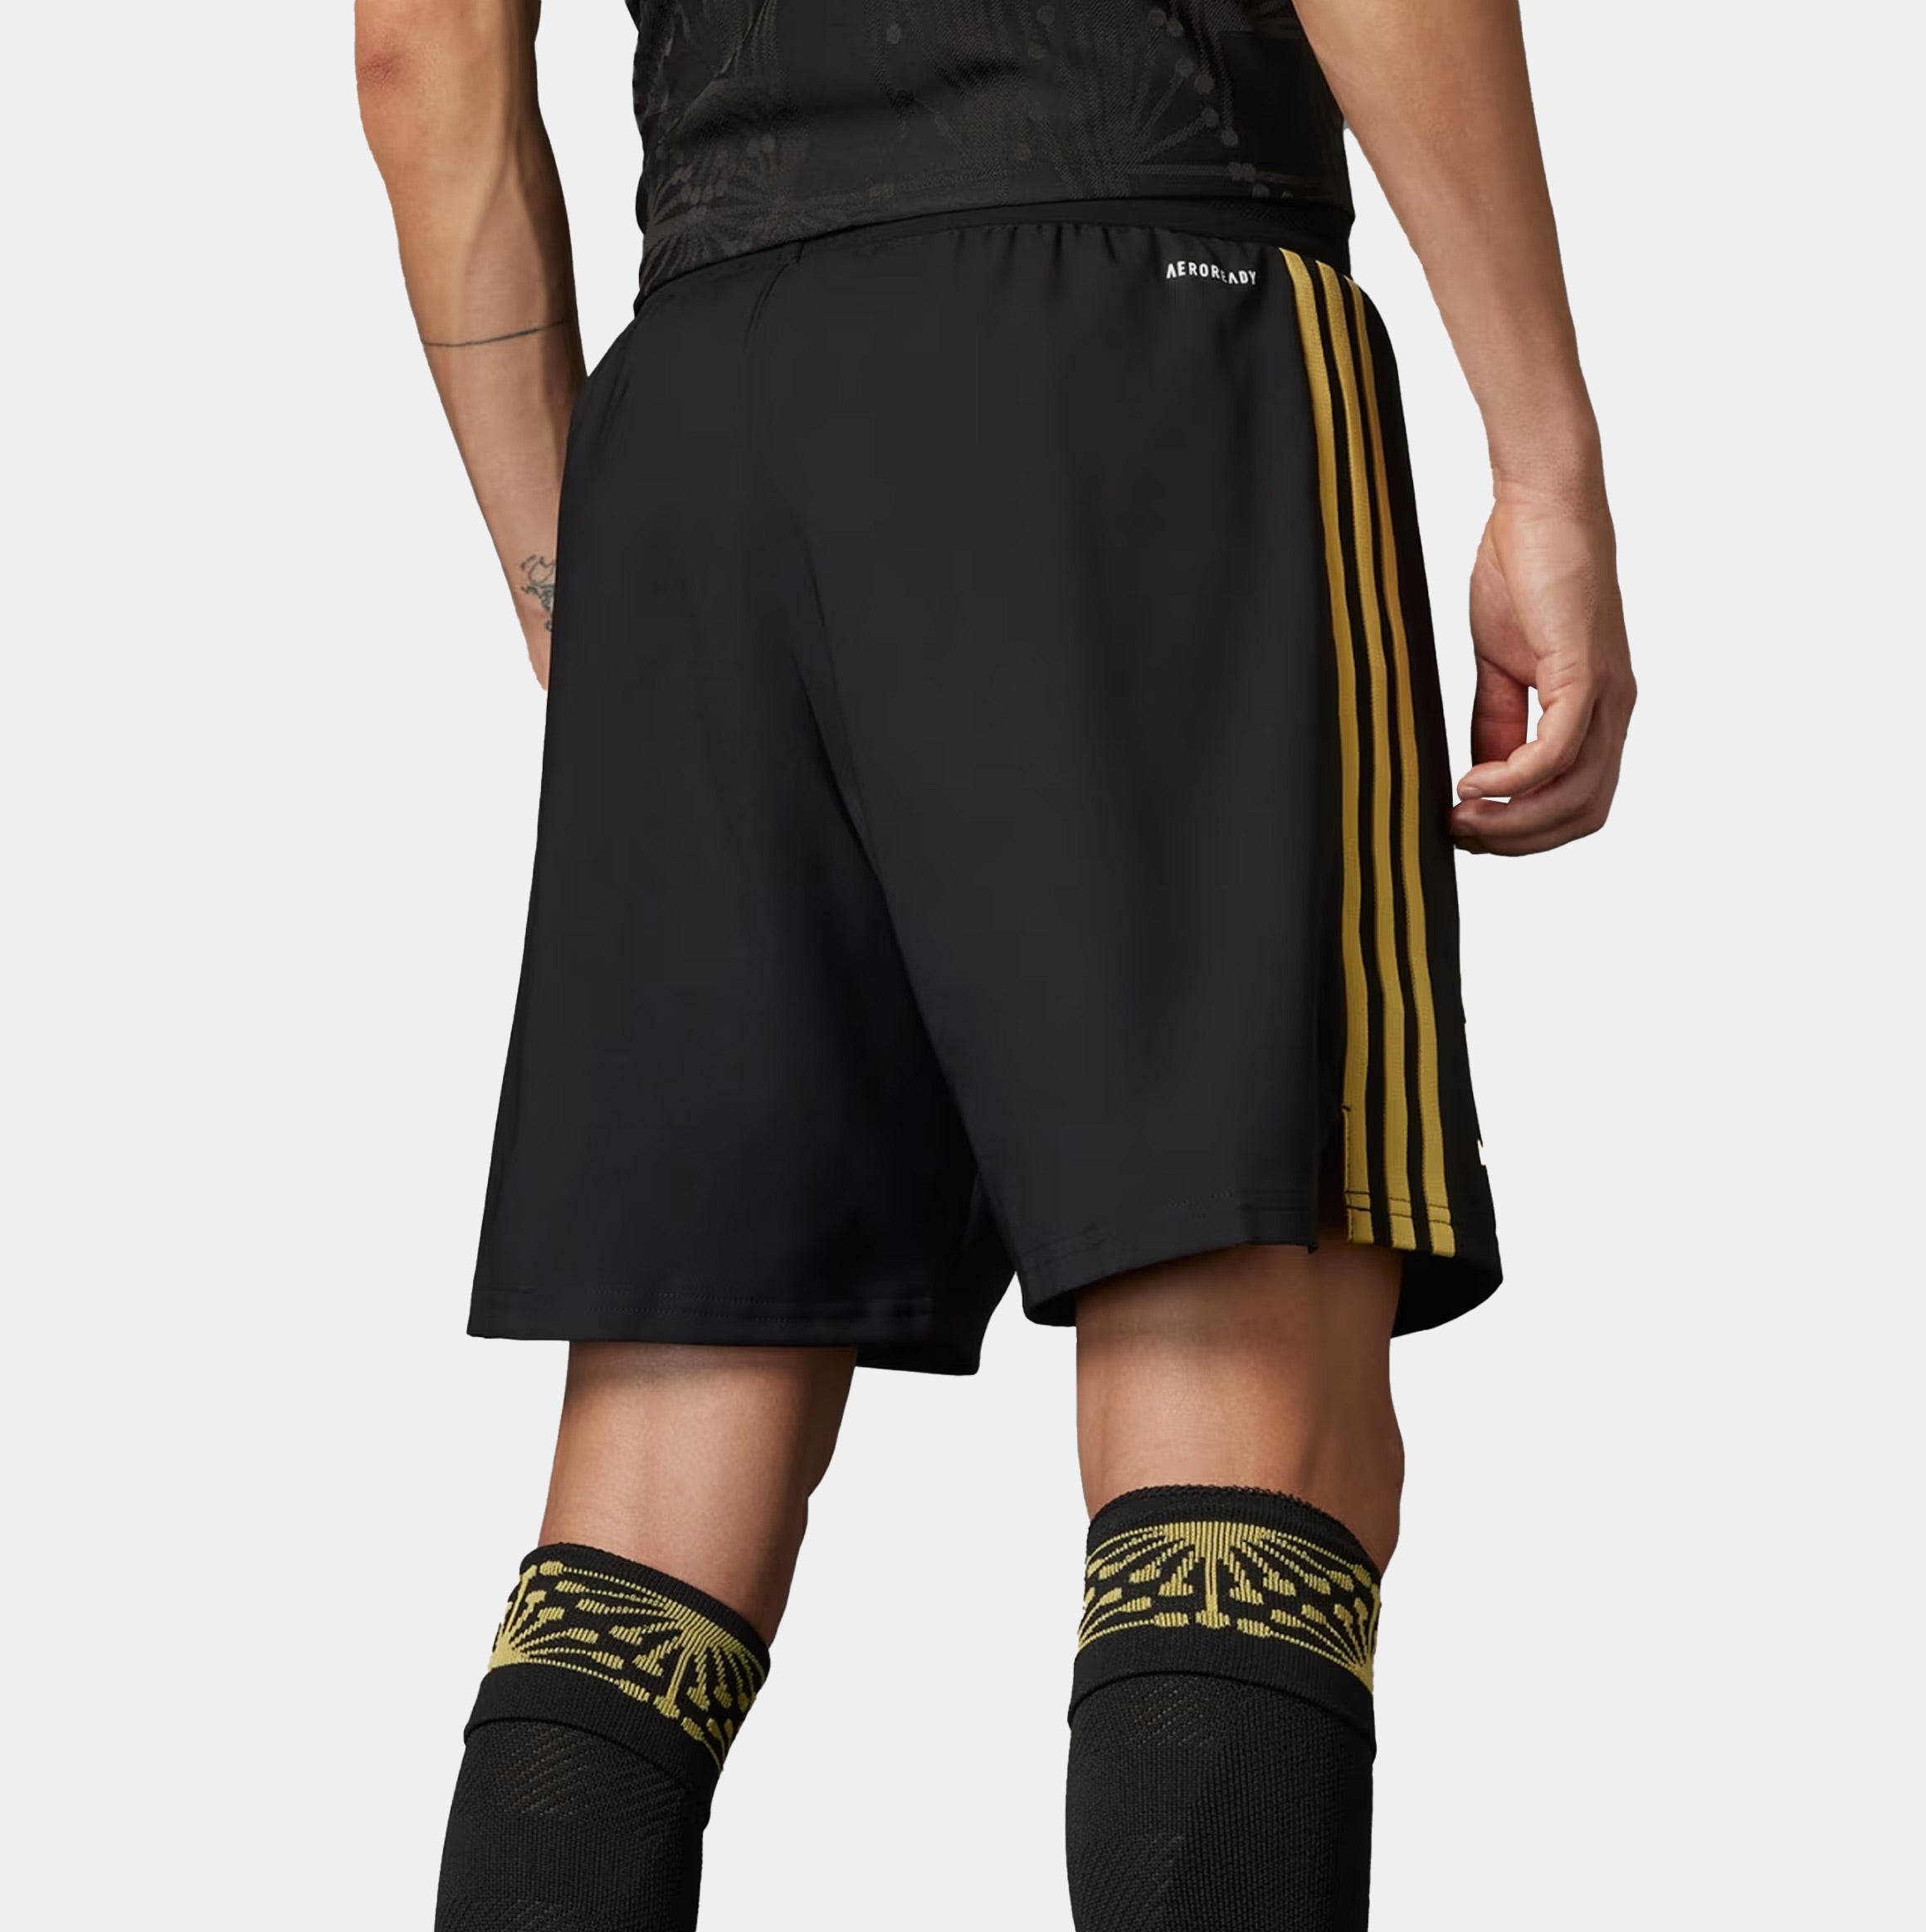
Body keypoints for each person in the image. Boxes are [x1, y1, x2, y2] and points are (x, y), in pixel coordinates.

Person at [357, 2, 1634, 1925]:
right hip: (1133, 329)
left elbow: (421, 44)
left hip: (698, 429)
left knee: (657, 1478)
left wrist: (580, 573)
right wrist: (1544, 461)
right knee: (1235, 1391)